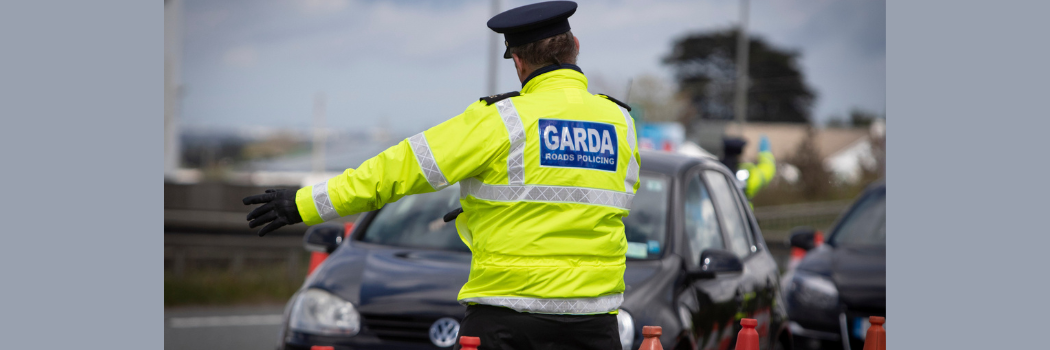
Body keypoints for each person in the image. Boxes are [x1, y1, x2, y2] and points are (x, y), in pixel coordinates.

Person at [241, 1, 640, 349]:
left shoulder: (501, 121)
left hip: (508, 322)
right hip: (596, 324)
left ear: (518, 62)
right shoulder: (622, 123)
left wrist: (305, 203)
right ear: (575, 49)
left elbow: (398, 169)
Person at [720, 135, 776, 200]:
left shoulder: (714, 169)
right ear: (740, 153)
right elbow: (765, 172)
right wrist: (765, 154)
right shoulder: (747, 173)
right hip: (739, 209)